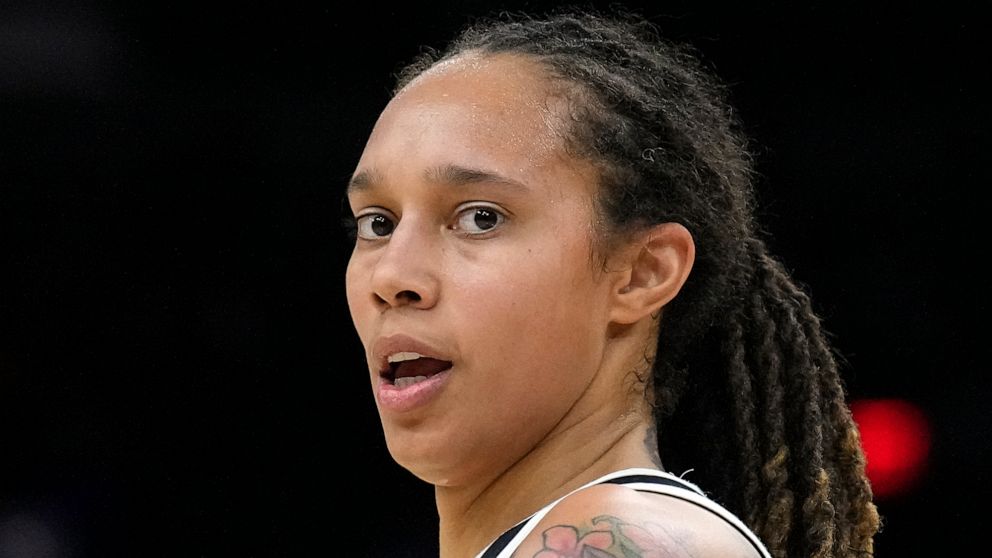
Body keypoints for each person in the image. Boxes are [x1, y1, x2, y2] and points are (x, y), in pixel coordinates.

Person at [342, 6, 881, 558]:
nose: (391, 276)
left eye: (481, 217)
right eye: (376, 224)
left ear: (642, 273)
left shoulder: (635, 542)